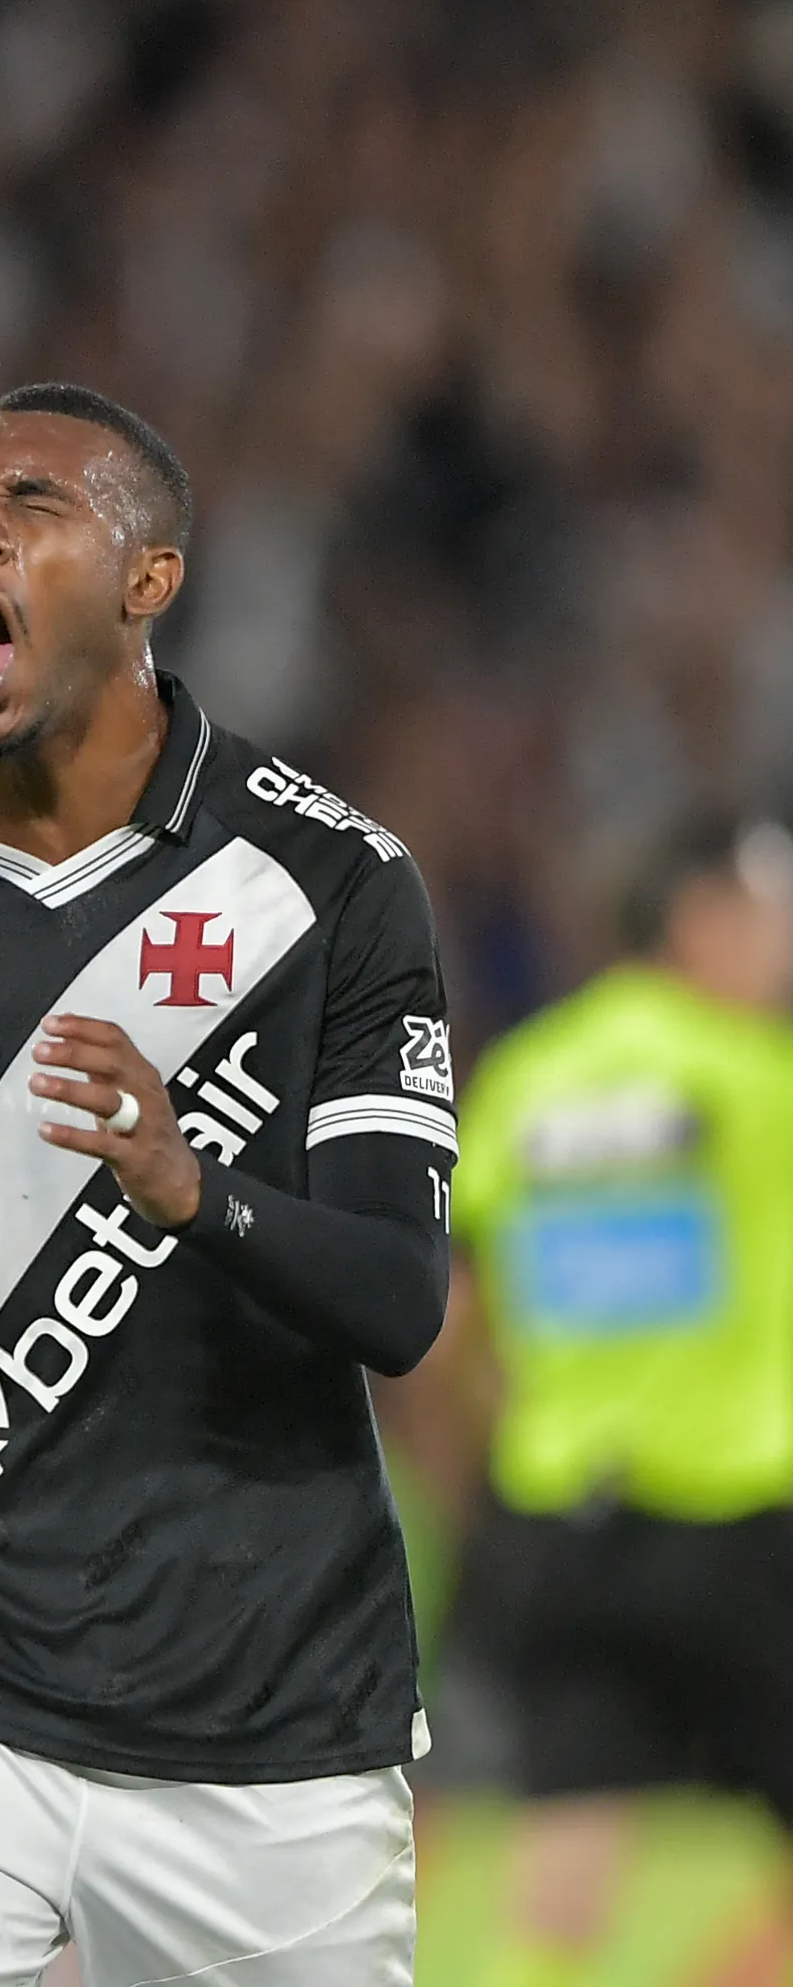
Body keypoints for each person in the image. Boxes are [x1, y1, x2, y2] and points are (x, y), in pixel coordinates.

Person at [0, 383, 455, 1986]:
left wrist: (194, 1186)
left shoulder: (334, 886)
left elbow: (400, 1297)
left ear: (151, 582)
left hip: (265, 1712)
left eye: (33, 502)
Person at [433, 812, 793, 1987]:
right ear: (701, 921)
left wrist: (504, 1448)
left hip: (564, 1521)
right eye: (768, 917)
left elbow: (458, 1328)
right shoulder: (756, 1081)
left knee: (565, 1849)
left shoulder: (529, 1080)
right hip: (744, 1515)